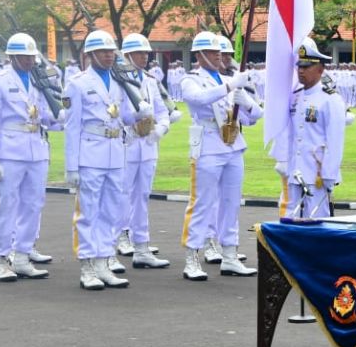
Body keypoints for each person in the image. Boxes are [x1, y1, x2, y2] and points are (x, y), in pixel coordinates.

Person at [64, 30, 149, 291]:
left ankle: (103, 261)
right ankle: (87, 266)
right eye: (103, 51)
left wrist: (138, 113)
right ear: (90, 55)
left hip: (115, 152)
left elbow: (122, 117)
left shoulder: (119, 81)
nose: (109, 55)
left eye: (111, 51)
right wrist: (72, 166)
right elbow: (72, 126)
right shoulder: (77, 84)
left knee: (111, 211)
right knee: (89, 212)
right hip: (90, 153)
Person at [179, 32, 262, 281]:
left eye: (221, 52)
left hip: (233, 145)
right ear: (200, 55)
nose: (219, 56)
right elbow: (197, 99)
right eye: (214, 52)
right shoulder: (191, 80)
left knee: (231, 203)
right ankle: (192, 256)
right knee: (202, 202)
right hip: (208, 146)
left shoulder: (229, 80)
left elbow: (254, 117)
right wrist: (230, 86)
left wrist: (246, 101)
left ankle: (230, 254)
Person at [0, 33, 60, 282]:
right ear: (12, 57)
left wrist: (58, 117)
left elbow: (46, 114)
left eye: (31, 57)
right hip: (10, 150)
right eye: (24, 57)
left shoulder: (38, 80)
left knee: (34, 204)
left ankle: (23, 255)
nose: (29, 61)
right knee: (6, 205)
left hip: (36, 148)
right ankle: (2, 259)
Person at [116, 33, 174, 270]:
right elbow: (116, 113)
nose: (144, 56)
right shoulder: (119, 80)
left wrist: (161, 127)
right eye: (139, 53)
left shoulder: (150, 80)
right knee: (122, 194)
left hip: (148, 144)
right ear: (127, 55)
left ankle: (141, 246)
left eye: (145, 53)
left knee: (142, 196)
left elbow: (161, 110)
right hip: (127, 142)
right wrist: (134, 117)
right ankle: (121, 236)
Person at [271, 37, 346, 218]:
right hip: (295, 169)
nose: (301, 71)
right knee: (290, 218)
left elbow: (335, 142)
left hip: (317, 173)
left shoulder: (330, 99)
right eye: (299, 66)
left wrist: (328, 176)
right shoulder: (295, 97)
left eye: (307, 67)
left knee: (317, 220)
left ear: (320, 69)